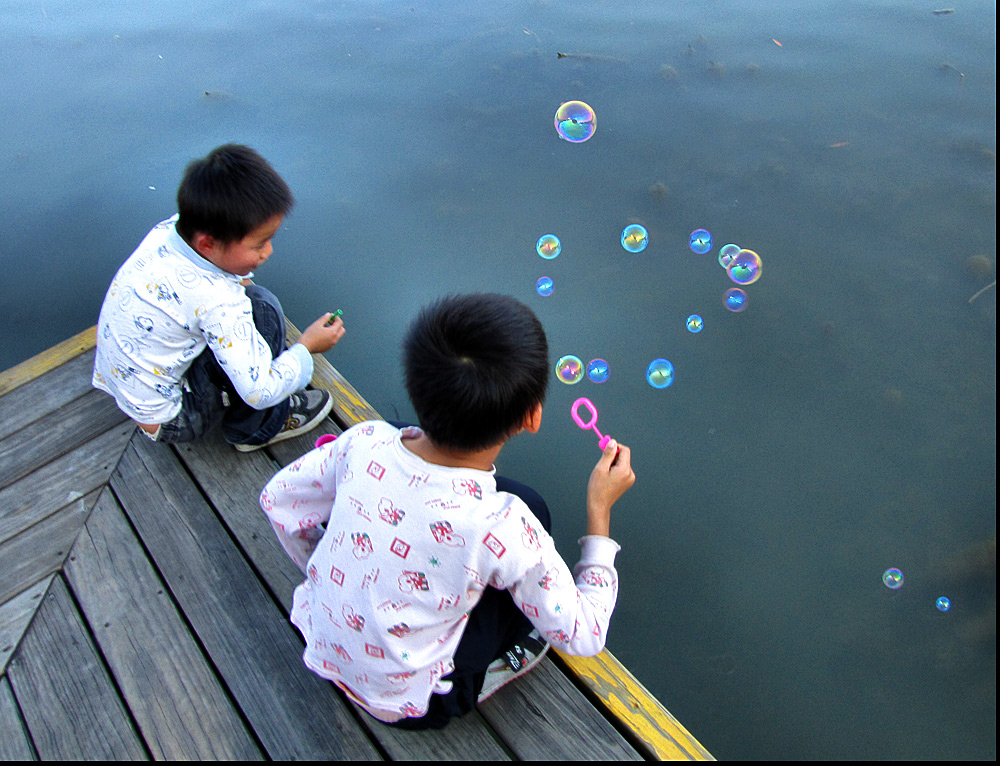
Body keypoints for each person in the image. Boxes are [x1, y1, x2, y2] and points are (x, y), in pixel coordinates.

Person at [259, 293, 635, 728]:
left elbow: (277, 501)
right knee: (526, 563)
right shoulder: (502, 525)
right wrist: (599, 513)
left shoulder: (363, 442)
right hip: (408, 702)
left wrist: (328, 565)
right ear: (532, 418)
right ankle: (483, 675)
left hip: (321, 639)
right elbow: (583, 634)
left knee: (529, 507)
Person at [92, 144, 345, 451]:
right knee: (263, 309)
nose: (269, 252)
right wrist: (306, 348)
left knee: (247, 303)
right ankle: (256, 428)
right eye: (259, 244)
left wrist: (238, 272)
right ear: (208, 243)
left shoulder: (169, 230)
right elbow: (258, 391)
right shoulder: (219, 301)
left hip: (123, 382)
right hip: (176, 417)